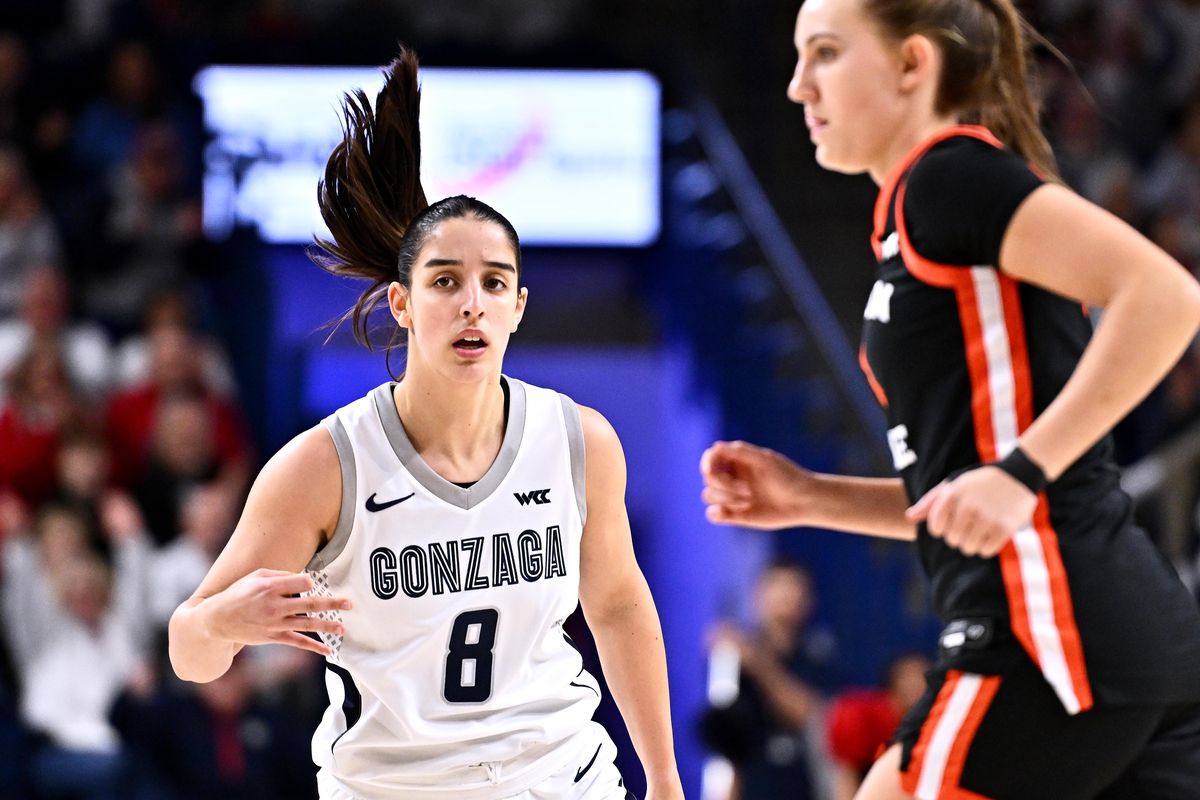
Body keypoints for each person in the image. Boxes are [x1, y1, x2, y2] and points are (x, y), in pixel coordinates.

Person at [700, 1, 1200, 798]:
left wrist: (1021, 471)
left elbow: (1166, 296)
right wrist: (810, 496)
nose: (798, 87)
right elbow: (967, 495)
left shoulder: (948, 177)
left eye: (825, 54)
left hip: (1047, 641)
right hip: (1121, 641)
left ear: (912, 65)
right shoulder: (915, 220)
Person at [169, 47, 682, 800]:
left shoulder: (580, 441)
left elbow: (616, 602)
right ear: (403, 305)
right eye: (445, 281)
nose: (472, 303)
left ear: (517, 308)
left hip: (562, 778)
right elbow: (190, 651)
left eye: (493, 283)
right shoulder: (325, 465)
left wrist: (665, 780)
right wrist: (224, 624)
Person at [700, 559, 840, 800]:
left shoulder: (818, 655)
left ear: (809, 600)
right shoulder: (733, 659)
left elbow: (809, 715)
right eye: (777, 586)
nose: (785, 597)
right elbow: (726, 743)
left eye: (794, 587)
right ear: (758, 596)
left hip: (806, 786)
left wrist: (757, 664)